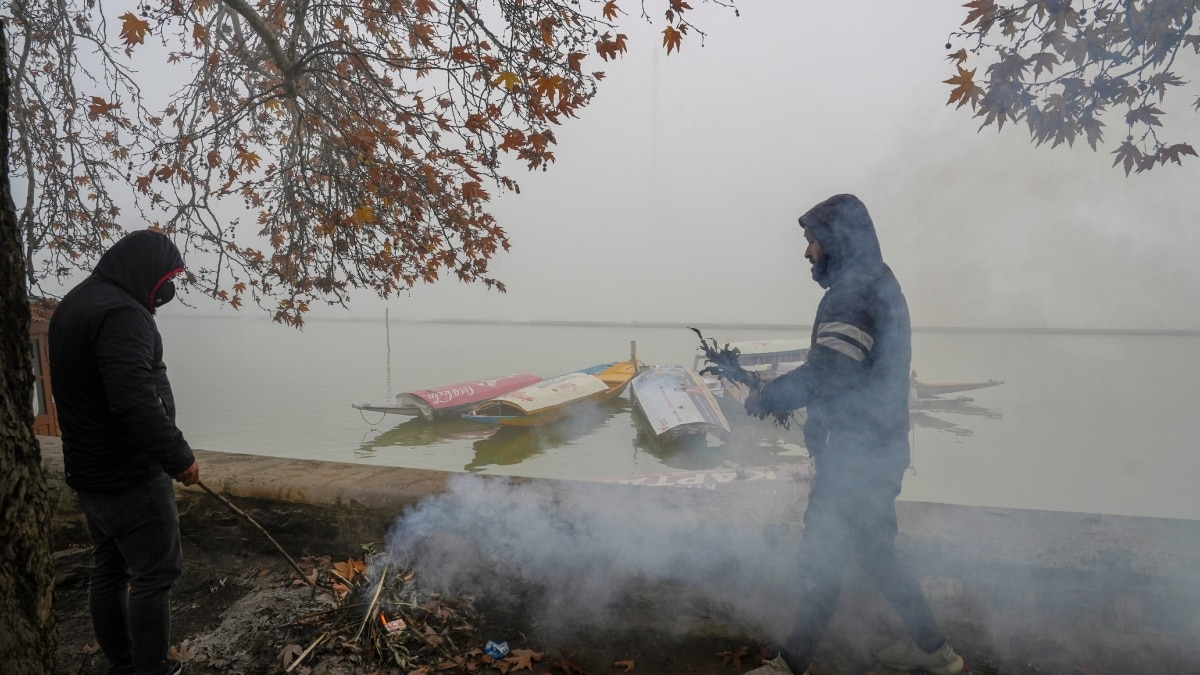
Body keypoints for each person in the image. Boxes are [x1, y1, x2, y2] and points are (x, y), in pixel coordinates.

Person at [742, 195, 963, 675]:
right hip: (879, 450)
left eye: (812, 241)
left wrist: (766, 397)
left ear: (835, 241)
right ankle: (938, 655)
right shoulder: (878, 282)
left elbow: (827, 373)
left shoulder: (854, 293)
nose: (808, 253)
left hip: (854, 458)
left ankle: (791, 665)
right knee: (877, 554)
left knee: (820, 554)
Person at [49, 229, 198, 675]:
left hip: (89, 467)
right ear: (145, 271)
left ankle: (123, 664)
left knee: (109, 565)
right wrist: (178, 455)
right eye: (167, 278)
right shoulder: (121, 314)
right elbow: (133, 398)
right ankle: (149, 669)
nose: (168, 290)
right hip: (129, 472)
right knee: (155, 573)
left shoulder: (77, 303)